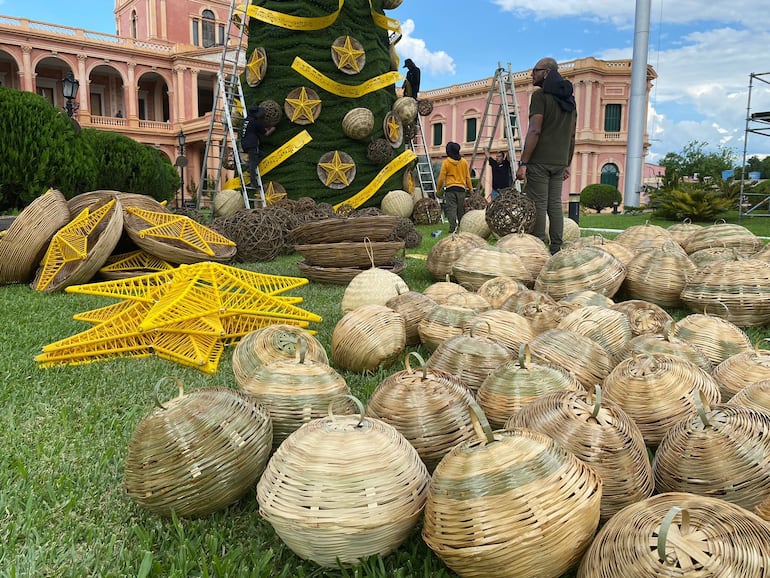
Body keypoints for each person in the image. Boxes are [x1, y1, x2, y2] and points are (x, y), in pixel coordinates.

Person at [515, 57, 577, 254]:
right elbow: (573, 135)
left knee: (538, 204)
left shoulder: (540, 96)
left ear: (547, 72)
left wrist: (523, 162)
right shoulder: (569, 101)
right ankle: (557, 247)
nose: (531, 74)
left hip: (540, 160)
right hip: (559, 161)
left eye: (535, 70)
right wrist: (567, 163)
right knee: (555, 205)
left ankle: (539, 248)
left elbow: (535, 130)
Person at [436, 141, 472, 233]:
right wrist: (471, 189)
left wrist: (438, 189)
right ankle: (461, 227)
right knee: (461, 209)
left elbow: (441, 178)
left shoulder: (446, 162)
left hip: (450, 189)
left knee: (451, 209)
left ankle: (453, 228)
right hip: (461, 189)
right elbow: (468, 177)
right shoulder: (464, 162)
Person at [240, 105, 275, 191]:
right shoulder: (255, 122)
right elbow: (266, 133)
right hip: (252, 144)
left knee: (261, 155)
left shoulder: (246, 120)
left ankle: (249, 169)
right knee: (253, 162)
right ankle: (254, 183)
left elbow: (254, 129)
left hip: (244, 143)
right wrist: (273, 129)